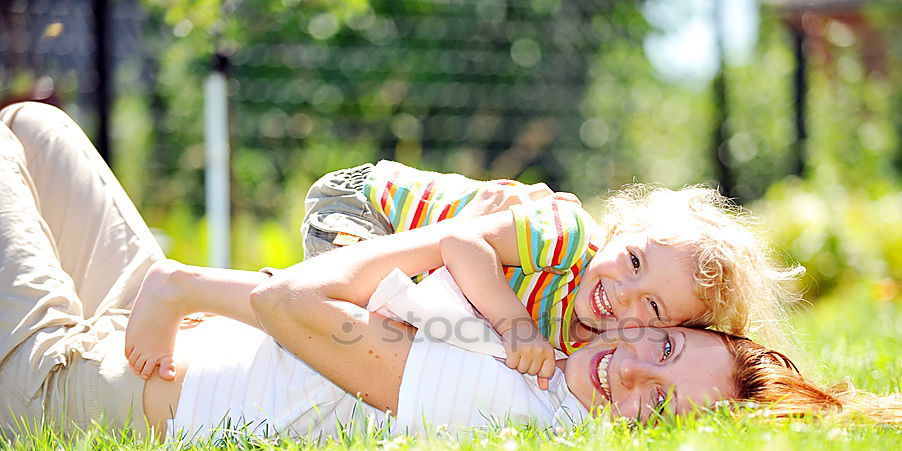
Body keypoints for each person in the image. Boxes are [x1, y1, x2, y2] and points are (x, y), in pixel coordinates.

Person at [0, 101, 758, 440]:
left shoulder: (516, 403)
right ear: (621, 230)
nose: (629, 357)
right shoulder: (552, 279)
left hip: (92, 389)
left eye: (656, 320)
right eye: (656, 349)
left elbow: (295, 303)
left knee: (17, 134)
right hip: (343, 214)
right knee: (32, 128)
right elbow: (451, 254)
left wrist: (184, 287)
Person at [286, 161, 803, 390]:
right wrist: (515, 325)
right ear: (623, 229)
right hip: (367, 207)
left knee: (386, 330)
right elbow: (461, 244)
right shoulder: (568, 236)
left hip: (408, 272)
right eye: (635, 262)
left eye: (651, 307)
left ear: (669, 331)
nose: (622, 294)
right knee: (341, 300)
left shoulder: (588, 340)